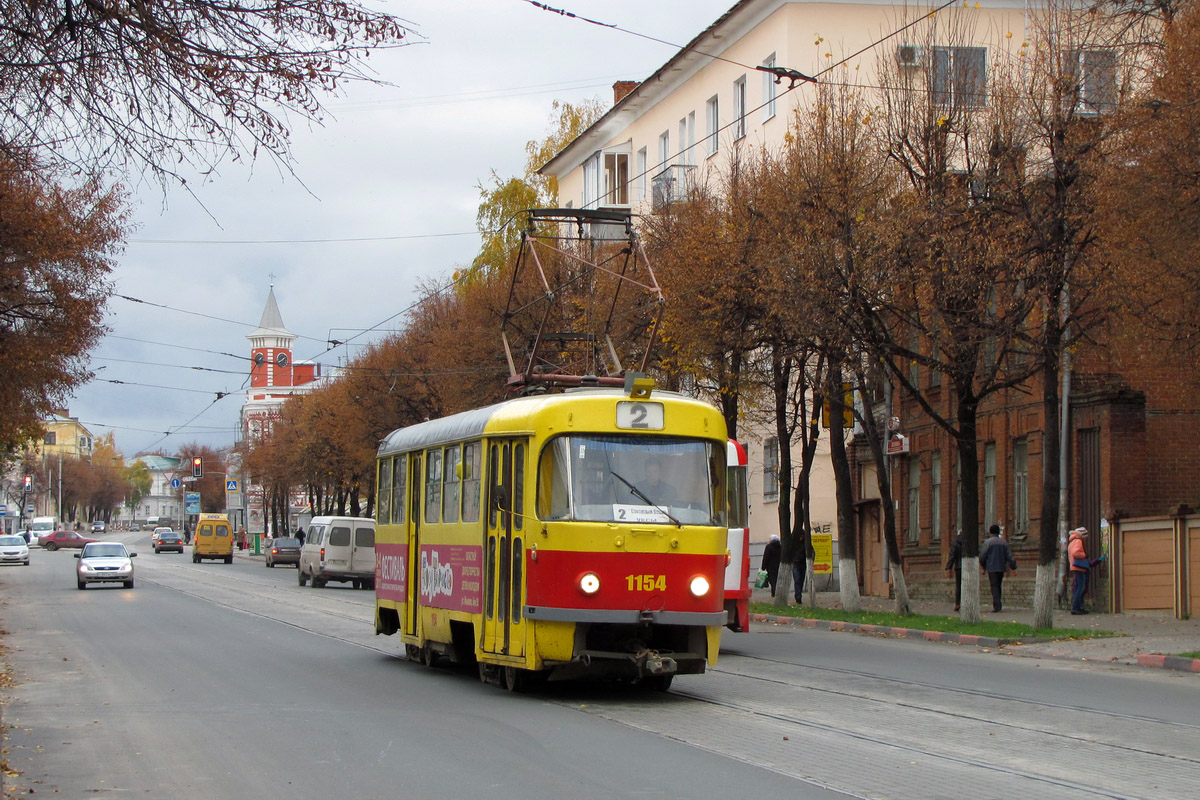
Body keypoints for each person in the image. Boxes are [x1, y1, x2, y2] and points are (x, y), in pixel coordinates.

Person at [978, 524, 1017, 612]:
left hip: (992, 568)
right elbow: (1009, 556)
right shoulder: (1003, 542)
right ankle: (998, 603)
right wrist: (1013, 568)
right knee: (998, 586)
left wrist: (983, 566)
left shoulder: (987, 543)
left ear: (990, 532)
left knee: (994, 586)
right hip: (1001, 568)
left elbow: (982, 556)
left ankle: (997, 606)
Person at [1068, 527, 1105, 615]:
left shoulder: (1072, 542)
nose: (1085, 539)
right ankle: (1076, 607)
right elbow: (1076, 553)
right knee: (1080, 587)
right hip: (1079, 567)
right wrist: (1084, 555)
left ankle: (1079, 607)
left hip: (1075, 567)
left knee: (1079, 587)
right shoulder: (1078, 541)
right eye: (1085, 536)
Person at [945, 530, 964, 611]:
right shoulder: (970, 541)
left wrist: (949, 567)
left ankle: (958, 603)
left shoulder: (955, 543)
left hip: (959, 567)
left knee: (959, 586)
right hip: (969, 567)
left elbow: (952, 555)